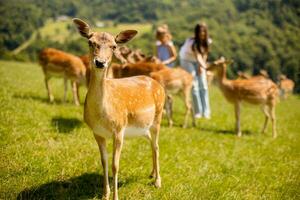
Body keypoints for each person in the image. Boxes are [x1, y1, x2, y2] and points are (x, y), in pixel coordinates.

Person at [179, 22, 212, 119]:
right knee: (194, 85)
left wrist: (201, 67)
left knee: (204, 86)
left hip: (199, 61)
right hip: (187, 60)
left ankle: (206, 112)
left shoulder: (208, 41)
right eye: (200, 31)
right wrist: (205, 67)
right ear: (196, 32)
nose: (202, 33)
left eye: (204, 31)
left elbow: (204, 54)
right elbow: (198, 56)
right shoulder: (191, 43)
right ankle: (198, 112)